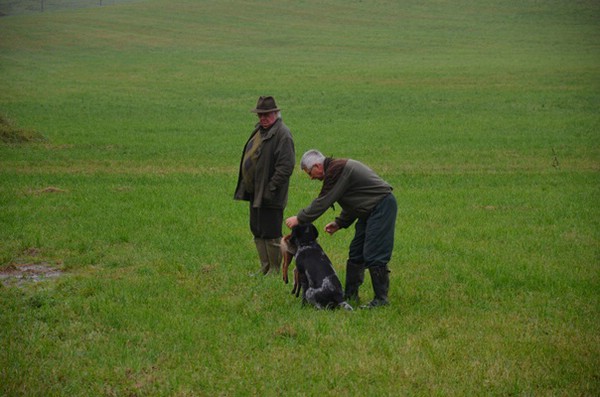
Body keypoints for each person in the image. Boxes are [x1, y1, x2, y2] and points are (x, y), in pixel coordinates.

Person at [285, 149, 397, 308]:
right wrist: (340, 222)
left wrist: (300, 218)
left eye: (310, 173)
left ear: (317, 165)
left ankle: (381, 299)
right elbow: (355, 200)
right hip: (369, 210)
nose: (311, 178)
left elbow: (323, 201)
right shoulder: (335, 171)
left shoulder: (337, 170)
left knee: (374, 253)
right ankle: (350, 296)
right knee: (356, 252)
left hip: (381, 206)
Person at [234, 96, 295, 275]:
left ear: (276, 113)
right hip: (255, 191)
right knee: (258, 230)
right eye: (260, 115)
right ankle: (265, 267)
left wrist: (271, 188)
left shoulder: (283, 134)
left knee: (271, 232)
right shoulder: (259, 130)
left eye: (266, 114)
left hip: (270, 194)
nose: (262, 118)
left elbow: (286, 167)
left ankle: (275, 270)